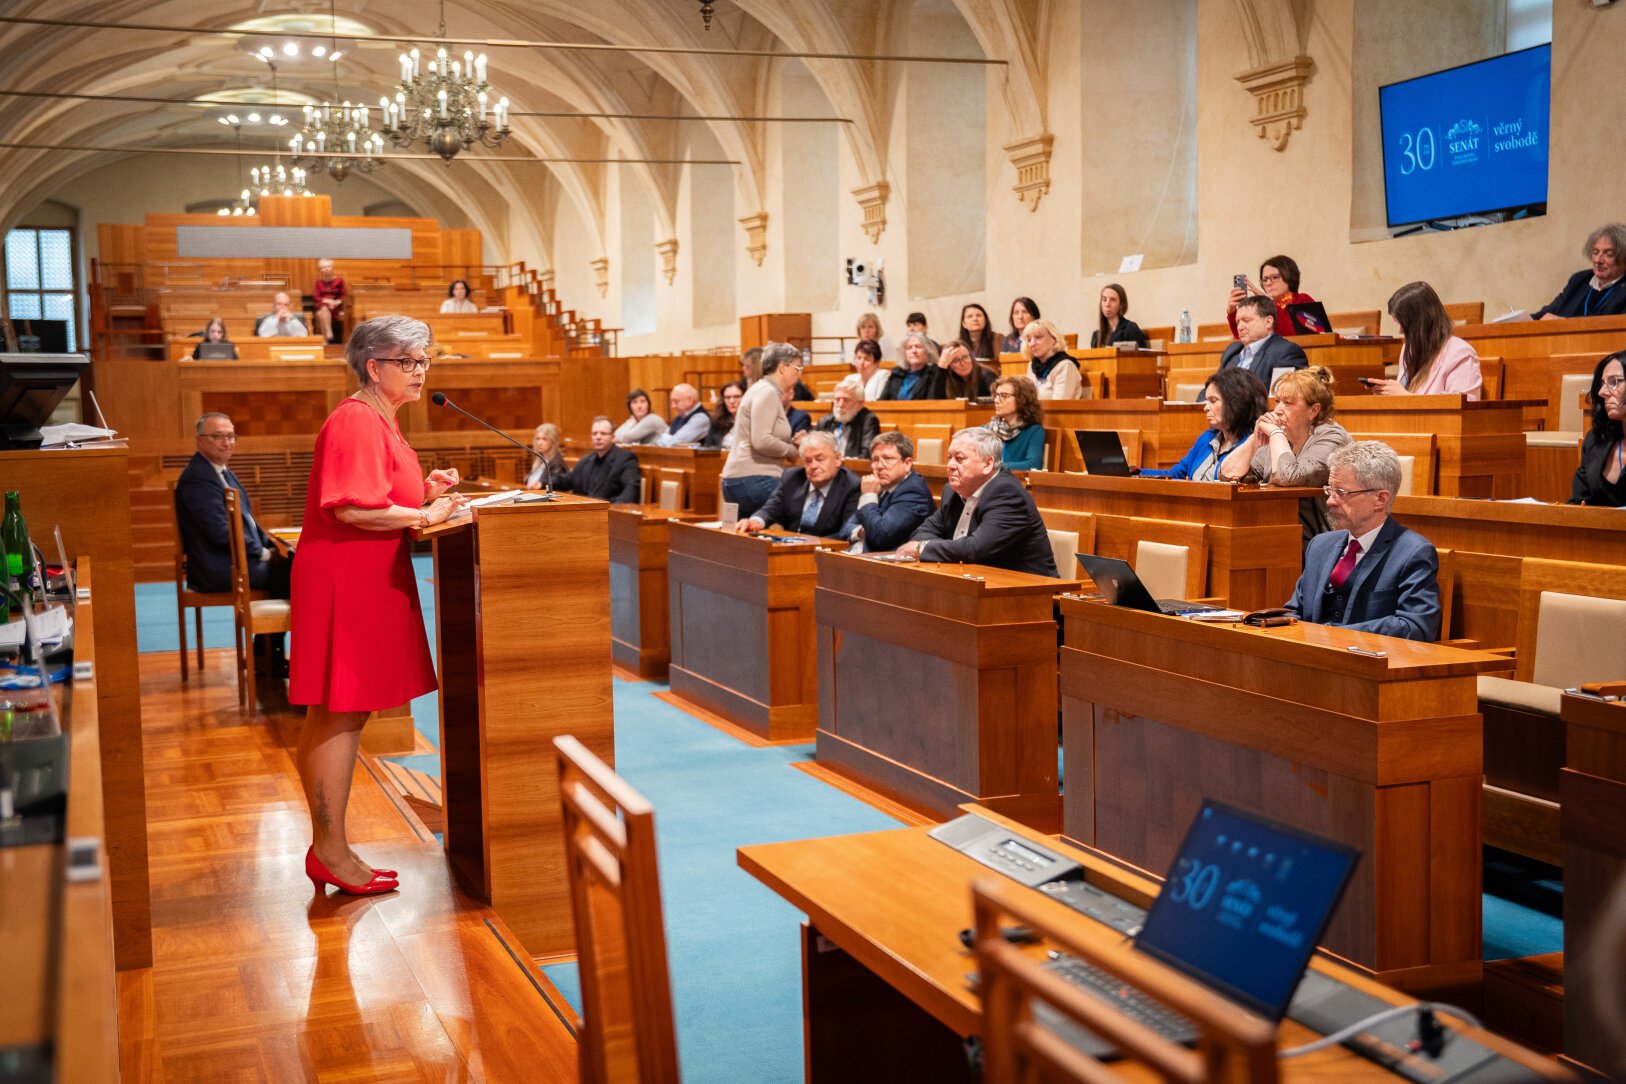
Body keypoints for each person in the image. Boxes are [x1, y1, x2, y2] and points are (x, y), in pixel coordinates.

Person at [289, 315, 469, 895]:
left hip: (361, 572)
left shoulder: (380, 418)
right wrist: (424, 514)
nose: (420, 372)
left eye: (424, 361)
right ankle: (330, 851)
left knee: (336, 712)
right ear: (374, 366)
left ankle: (329, 848)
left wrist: (425, 493)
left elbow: (376, 494)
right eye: (408, 361)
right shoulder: (357, 419)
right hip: (348, 577)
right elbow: (349, 507)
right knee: (341, 712)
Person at [1284, 441, 1441, 641]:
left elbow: (1416, 626)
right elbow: (1294, 612)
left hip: (1368, 658)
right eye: (1330, 490)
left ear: (1380, 499)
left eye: (1341, 493)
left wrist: (1337, 636)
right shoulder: (1320, 545)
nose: (1330, 501)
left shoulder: (1413, 553)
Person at [174, 410, 292, 615]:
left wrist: (271, 546)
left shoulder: (222, 472)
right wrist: (263, 553)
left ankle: (270, 635)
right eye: (218, 436)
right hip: (219, 567)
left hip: (236, 560)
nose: (227, 442)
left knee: (292, 565)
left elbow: (248, 520)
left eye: (230, 436)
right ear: (199, 440)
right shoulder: (197, 478)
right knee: (295, 574)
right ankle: (272, 637)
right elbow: (220, 532)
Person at [897, 427, 1058, 576]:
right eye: (949, 458)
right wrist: (952, 549)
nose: (950, 465)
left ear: (987, 464)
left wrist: (922, 548)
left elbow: (976, 549)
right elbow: (922, 533)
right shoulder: (952, 491)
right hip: (975, 581)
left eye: (959, 459)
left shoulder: (1007, 492)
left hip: (1028, 590)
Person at [1220, 365, 1351, 544]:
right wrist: (1253, 439)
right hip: (1278, 531)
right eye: (1277, 401)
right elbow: (1228, 476)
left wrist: (1275, 433)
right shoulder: (1281, 436)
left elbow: (1288, 477)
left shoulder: (1332, 437)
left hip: (1323, 543)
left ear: (1313, 410)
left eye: (1288, 403)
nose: (1277, 410)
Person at [1140, 368, 1267, 481]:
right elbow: (1174, 475)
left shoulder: (1255, 443)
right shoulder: (1206, 439)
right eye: (1206, 401)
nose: (1205, 407)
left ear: (1237, 402)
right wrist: (1133, 471)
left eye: (1213, 401)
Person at [721, 341, 803, 517]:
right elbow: (761, 441)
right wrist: (792, 451)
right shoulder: (767, 392)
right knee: (800, 513)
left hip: (741, 479)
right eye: (797, 368)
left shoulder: (759, 389)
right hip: (755, 478)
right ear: (783, 367)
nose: (799, 374)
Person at [1368, 281, 1482, 399]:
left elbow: (1465, 406)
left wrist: (1405, 397)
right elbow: (1404, 398)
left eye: (1403, 324)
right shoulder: (1409, 349)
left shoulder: (1460, 353)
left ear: (1419, 323)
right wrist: (1388, 394)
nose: (1400, 331)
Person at [735, 431, 859, 537]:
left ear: (837, 459)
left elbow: (846, 531)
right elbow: (770, 509)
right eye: (808, 461)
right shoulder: (792, 478)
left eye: (820, 459)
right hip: (791, 548)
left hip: (826, 552)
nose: (813, 466)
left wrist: (811, 544)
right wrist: (755, 521)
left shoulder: (852, 486)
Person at [841, 431, 933, 553]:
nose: (879, 466)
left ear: (907, 464)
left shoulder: (914, 492)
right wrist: (861, 531)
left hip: (889, 562)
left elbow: (880, 535)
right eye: (875, 460)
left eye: (888, 458)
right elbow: (844, 529)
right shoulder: (881, 486)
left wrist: (868, 496)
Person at [1569, 350, 1626, 507]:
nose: (1602, 392)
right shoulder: (1596, 440)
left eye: (1615, 382)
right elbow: (1578, 502)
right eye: (1602, 384)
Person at [1535, 224, 1626, 320]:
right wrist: (1525, 319)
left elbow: (1616, 325)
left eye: (1608, 254)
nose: (1598, 260)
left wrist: (1564, 323)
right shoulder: (1579, 280)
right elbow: (1547, 313)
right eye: (1595, 252)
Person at [1218, 295, 1308, 386]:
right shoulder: (1232, 350)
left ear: (1268, 322)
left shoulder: (1285, 352)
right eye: (1238, 322)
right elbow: (1215, 386)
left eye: (1246, 320)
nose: (1239, 327)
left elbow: (1281, 394)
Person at [1226, 254, 1316, 339]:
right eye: (1265, 279)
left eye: (1275, 277)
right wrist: (1232, 312)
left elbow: (1292, 336)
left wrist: (1269, 303)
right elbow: (1244, 336)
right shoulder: (1263, 307)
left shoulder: (1304, 300)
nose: (1268, 283)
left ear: (1290, 277)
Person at [557, 416, 642, 503]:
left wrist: (612, 509)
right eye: (594, 434)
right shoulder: (585, 460)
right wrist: (547, 483)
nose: (598, 437)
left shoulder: (625, 459)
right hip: (583, 509)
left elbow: (631, 490)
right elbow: (566, 480)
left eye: (603, 433)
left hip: (609, 509)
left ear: (613, 437)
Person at [987, 376, 1046, 470]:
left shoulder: (1034, 431)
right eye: (996, 395)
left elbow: (1033, 465)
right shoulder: (988, 428)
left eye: (1004, 395)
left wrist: (992, 467)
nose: (996, 400)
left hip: (1014, 479)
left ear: (1022, 399)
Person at [815, 375, 881, 458]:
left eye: (846, 400)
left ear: (860, 404)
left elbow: (867, 455)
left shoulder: (868, 421)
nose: (840, 405)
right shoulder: (825, 421)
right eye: (837, 399)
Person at [1021, 318, 1084, 400]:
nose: (1032, 343)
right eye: (1029, 340)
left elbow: (1059, 404)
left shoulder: (1065, 366)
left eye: (1038, 337)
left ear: (1053, 339)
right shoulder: (1032, 365)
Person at [879, 332, 940, 401]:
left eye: (918, 347)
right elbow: (882, 400)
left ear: (927, 351)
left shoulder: (934, 373)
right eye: (909, 348)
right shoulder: (897, 373)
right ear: (904, 353)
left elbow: (933, 402)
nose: (914, 351)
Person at [929, 340, 997, 400]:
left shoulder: (987, 376)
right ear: (949, 366)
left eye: (965, 357)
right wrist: (942, 368)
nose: (962, 363)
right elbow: (937, 402)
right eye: (956, 360)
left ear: (971, 357)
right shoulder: (944, 377)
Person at [1089, 283, 1149, 349]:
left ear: (1121, 305)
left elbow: (1143, 354)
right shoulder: (1096, 336)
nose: (1107, 304)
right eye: (1104, 299)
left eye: (1113, 300)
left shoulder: (1131, 329)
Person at [312, 260, 350, 343]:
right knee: (323, 309)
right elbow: (316, 297)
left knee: (320, 313)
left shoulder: (339, 281)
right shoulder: (318, 282)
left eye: (328, 267)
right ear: (320, 270)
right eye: (323, 267)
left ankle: (325, 341)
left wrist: (336, 302)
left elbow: (344, 295)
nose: (326, 269)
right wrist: (327, 301)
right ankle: (329, 334)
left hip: (336, 307)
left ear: (332, 268)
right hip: (323, 305)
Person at [701, 380, 745, 450]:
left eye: (737, 396)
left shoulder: (752, 421)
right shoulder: (717, 421)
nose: (732, 401)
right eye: (727, 397)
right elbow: (707, 448)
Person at [524, 422, 565, 490]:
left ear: (553, 441)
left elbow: (554, 486)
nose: (539, 443)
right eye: (538, 439)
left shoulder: (557, 464)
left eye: (544, 439)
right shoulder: (540, 460)